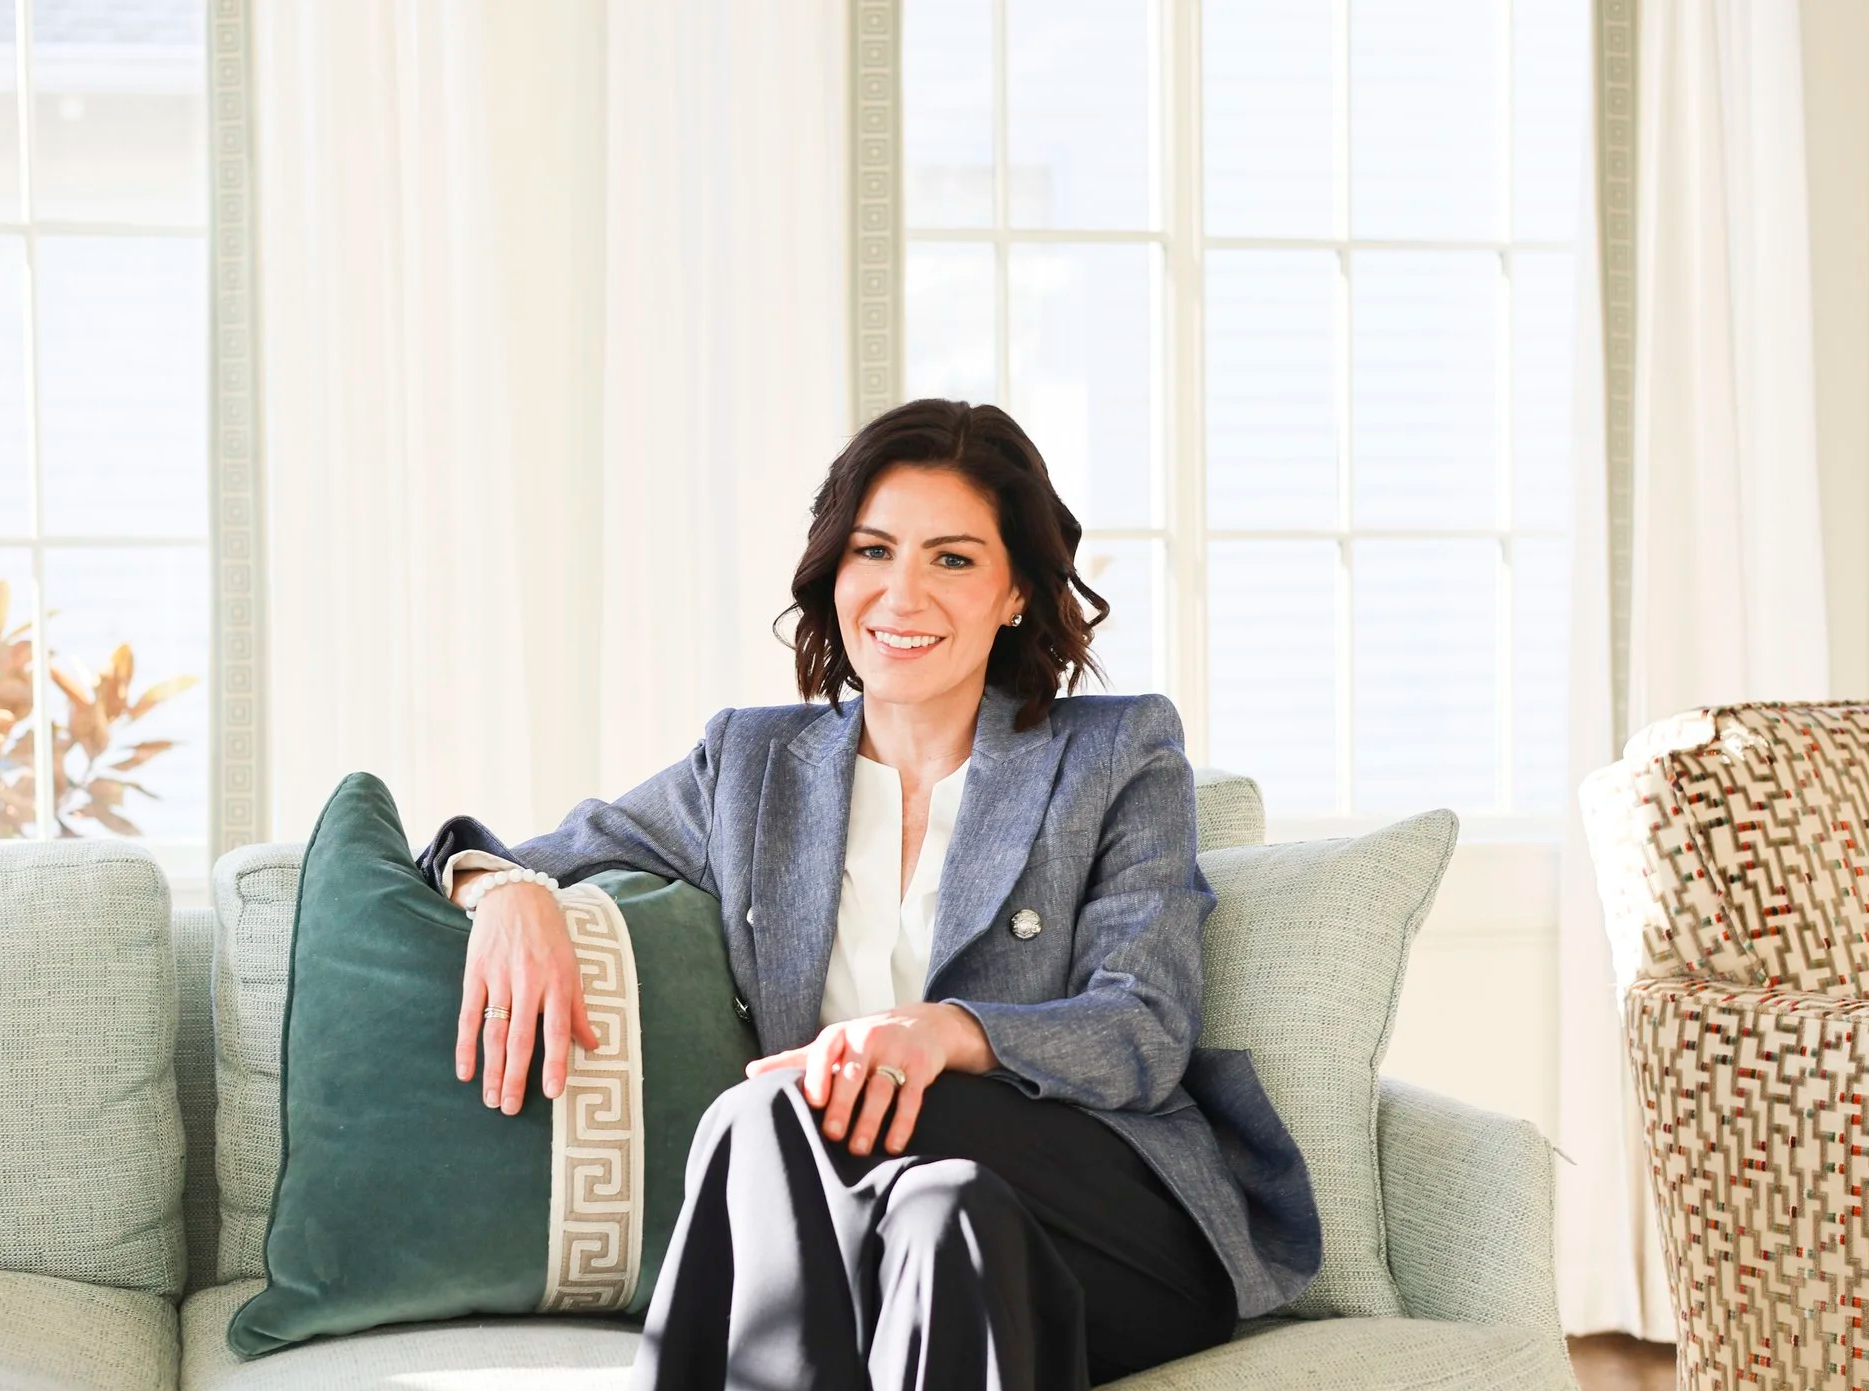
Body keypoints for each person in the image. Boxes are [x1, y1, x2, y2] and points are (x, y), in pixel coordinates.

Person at [418, 399, 1320, 1391]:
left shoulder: (1113, 752)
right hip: (898, 1222)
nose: (901, 592)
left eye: (952, 558)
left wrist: (939, 1034)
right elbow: (531, 850)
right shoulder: (752, 766)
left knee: (765, 1114)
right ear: (832, 571)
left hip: (1111, 1226)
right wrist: (504, 890)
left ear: (1015, 588)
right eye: (873, 549)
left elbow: (1142, 1029)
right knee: (943, 1218)